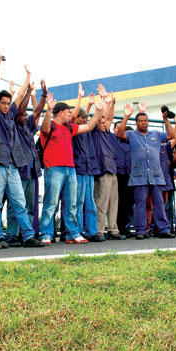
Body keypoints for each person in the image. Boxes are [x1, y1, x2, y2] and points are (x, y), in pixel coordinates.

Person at [0, 66, 46, 249]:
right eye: (2, 103)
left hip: (12, 166)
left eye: (7, 103)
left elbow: (19, 97)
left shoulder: (10, 116)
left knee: (19, 202)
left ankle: (28, 235)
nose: (6, 106)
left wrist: (28, 77)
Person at [38, 94, 104, 244]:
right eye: (68, 112)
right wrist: (48, 110)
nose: (70, 115)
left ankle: (72, 233)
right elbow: (45, 127)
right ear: (60, 112)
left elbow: (88, 126)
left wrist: (98, 111)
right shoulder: (51, 126)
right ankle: (46, 234)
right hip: (54, 169)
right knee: (51, 202)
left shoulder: (69, 127)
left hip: (70, 169)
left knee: (71, 203)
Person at [116, 102, 176, 240]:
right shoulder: (132, 135)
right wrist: (126, 116)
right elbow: (120, 134)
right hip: (139, 175)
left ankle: (163, 229)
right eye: (141, 121)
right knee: (140, 203)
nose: (143, 123)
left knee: (159, 203)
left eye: (145, 121)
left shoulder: (155, 134)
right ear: (136, 123)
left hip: (155, 174)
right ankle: (140, 230)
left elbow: (171, 135)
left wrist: (166, 119)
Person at [6, 80, 49, 243]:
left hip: (32, 171)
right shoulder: (14, 125)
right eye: (23, 114)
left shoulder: (27, 126)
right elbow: (21, 108)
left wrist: (43, 95)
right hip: (20, 170)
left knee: (30, 206)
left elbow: (37, 112)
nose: (25, 116)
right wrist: (27, 91)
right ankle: (12, 234)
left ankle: (27, 234)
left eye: (25, 115)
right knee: (15, 204)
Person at [91, 89, 127, 240]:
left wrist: (112, 103)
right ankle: (99, 231)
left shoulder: (107, 133)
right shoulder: (94, 132)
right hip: (102, 171)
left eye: (104, 121)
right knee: (102, 202)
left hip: (113, 170)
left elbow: (109, 116)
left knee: (114, 202)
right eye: (101, 121)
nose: (104, 122)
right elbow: (100, 116)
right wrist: (104, 101)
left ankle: (113, 229)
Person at [71, 86, 102, 241]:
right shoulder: (72, 131)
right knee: (78, 202)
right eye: (82, 118)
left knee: (90, 202)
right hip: (78, 169)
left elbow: (96, 119)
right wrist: (85, 102)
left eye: (86, 118)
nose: (85, 120)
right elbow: (75, 117)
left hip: (89, 170)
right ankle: (77, 231)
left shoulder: (88, 131)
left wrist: (96, 104)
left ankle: (92, 231)